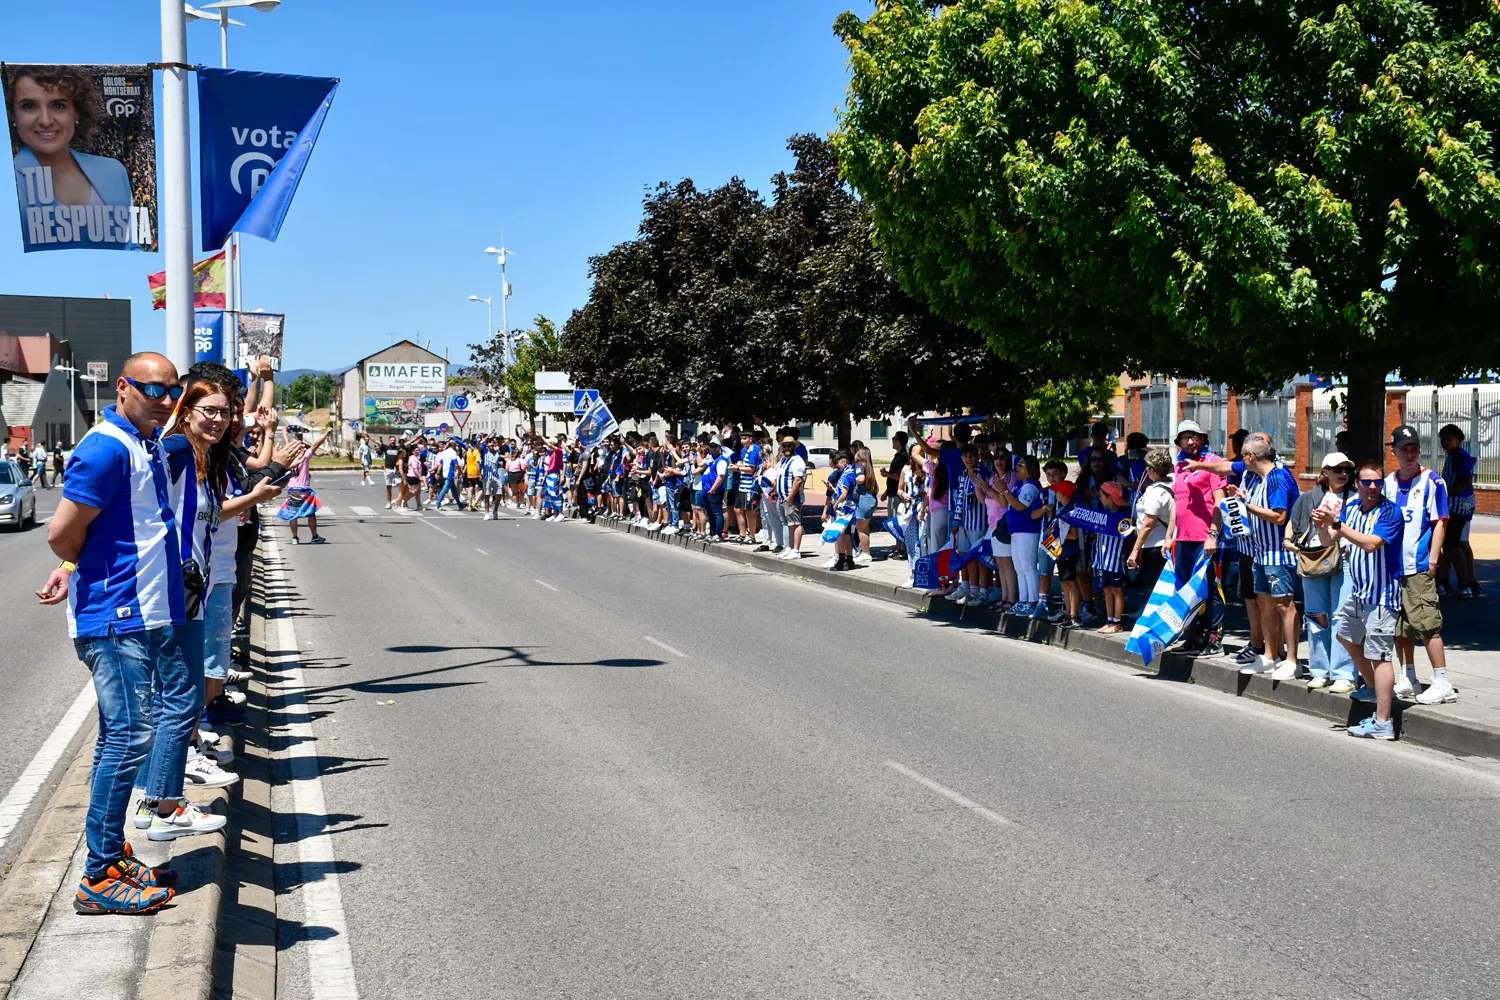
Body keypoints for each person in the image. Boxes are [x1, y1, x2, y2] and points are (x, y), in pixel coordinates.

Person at [33, 353, 218, 916]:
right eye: (153, 390)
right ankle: (98, 874)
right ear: (123, 387)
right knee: (128, 737)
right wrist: (86, 573)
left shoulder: (146, 442)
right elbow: (62, 534)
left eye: (172, 393)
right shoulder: (107, 447)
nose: (165, 400)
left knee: (123, 736)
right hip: (115, 619)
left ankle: (110, 857)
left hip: (141, 614)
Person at [1313, 459, 1405, 740]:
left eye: (1378, 481)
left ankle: (1383, 722)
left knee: (1379, 655)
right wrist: (1320, 526)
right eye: (1367, 482)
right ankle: (1370, 686)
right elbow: (1330, 541)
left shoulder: (1391, 512)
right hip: (1360, 591)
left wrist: (1337, 525)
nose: (1373, 486)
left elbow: (1370, 543)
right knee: (1345, 636)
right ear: (1358, 484)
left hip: (1382, 594)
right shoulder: (1351, 507)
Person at [5, 67, 140, 252]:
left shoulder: (113, 171)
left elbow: (132, 245)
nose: (45, 120)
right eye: (29, 106)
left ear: (76, 112)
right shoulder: (8, 183)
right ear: (13, 115)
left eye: (58, 105)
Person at [1385, 425, 1457, 705]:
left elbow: (1441, 521)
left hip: (1418, 565)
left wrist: (1434, 559)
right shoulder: (1388, 483)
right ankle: (1409, 677)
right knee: (1400, 627)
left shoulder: (1433, 482)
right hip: (1392, 567)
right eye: (1405, 448)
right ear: (1394, 452)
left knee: (1427, 624)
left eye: (1414, 447)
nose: (1411, 453)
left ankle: (1442, 682)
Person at [1287, 453, 1358, 693]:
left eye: (1346, 469)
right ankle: (1319, 670)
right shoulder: (1309, 497)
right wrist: (1292, 543)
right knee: (1316, 615)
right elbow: (1293, 525)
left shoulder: (1356, 499)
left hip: (1345, 559)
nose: (1343, 474)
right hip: (1314, 558)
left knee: (1341, 616)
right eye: (1337, 469)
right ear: (1325, 471)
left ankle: (1344, 673)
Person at [1231, 438, 1300, 679]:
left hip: (1278, 553)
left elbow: (1279, 516)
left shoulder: (1278, 478)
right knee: (1265, 605)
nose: (1241, 460)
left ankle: (1292, 660)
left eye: (1242, 455)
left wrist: (1246, 506)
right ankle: (1270, 656)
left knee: (1284, 605)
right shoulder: (1258, 478)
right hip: (1260, 552)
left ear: (1251, 456)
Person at [1164, 420, 1226, 655]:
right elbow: (1177, 503)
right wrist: (1170, 535)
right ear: (1178, 442)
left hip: (1204, 539)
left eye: (1195, 436)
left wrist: (1212, 535)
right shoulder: (1179, 466)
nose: (1190, 442)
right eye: (1185, 437)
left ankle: (1214, 638)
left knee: (1210, 588)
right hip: (1183, 540)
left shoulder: (1212, 463)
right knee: (1187, 591)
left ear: (1203, 438)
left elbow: (1219, 503)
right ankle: (1194, 636)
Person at [1437, 423, 1479, 598]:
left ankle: (1465, 583)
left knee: (1452, 545)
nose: (1446, 443)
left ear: (1459, 439)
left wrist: (1446, 493)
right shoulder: (1453, 455)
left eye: (1449, 439)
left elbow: (1465, 481)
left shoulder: (1460, 457)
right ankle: (1445, 580)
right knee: (1454, 544)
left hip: (1458, 506)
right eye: (1443, 440)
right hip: (1458, 505)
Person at [1126, 446, 1174, 590]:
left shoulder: (1156, 493)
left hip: (1154, 547)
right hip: (1165, 544)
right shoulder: (1173, 482)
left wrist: (1135, 551)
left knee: (1154, 588)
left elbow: (1148, 524)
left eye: (1147, 467)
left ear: (1152, 470)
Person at [280, 428, 332, 543]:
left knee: (293, 514)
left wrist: (284, 432)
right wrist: (326, 434)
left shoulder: (289, 456)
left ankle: (294, 538)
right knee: (311, 513)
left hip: (292, 489)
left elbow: (287, 441)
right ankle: (314, 536)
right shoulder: (305, 455)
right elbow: (316, 444)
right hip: (304, 489)